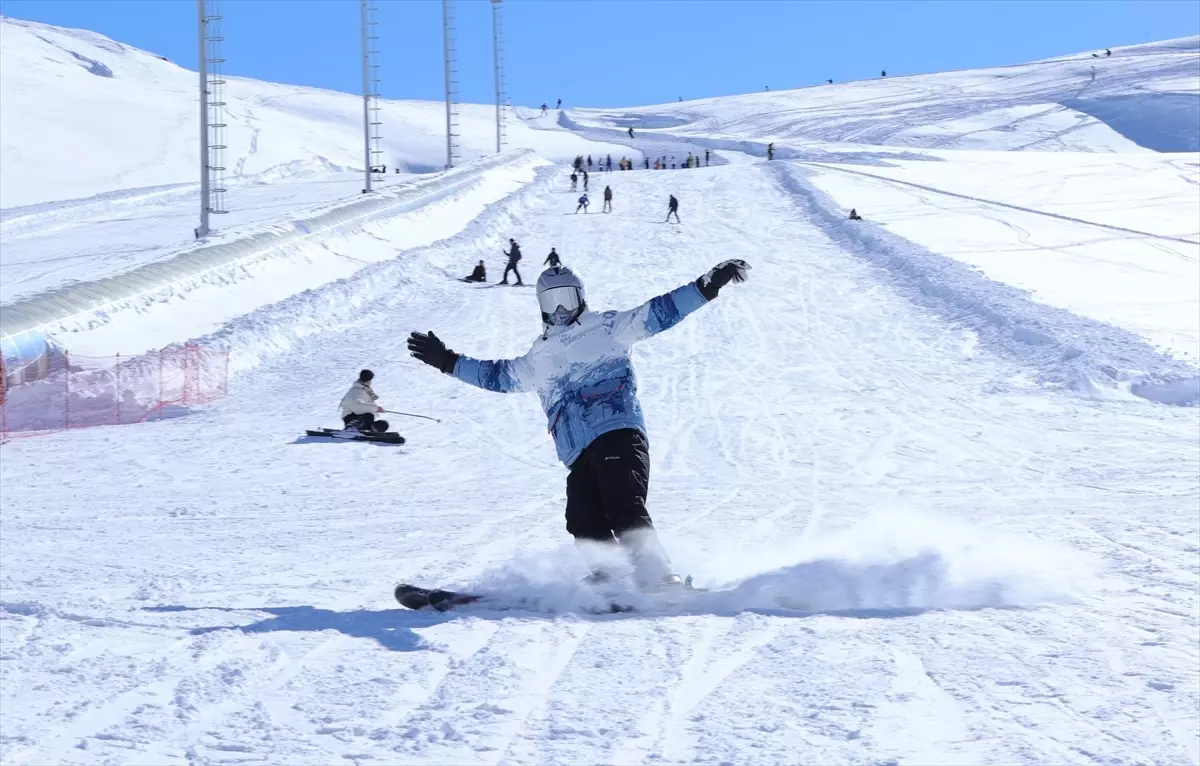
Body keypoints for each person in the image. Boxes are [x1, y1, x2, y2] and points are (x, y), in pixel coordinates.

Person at [405, 260, 751, 589]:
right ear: (541, 306)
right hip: (578, 451)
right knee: (581, 516)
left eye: (567, 299)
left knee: (622, 504)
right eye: (552, 302)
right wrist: (448, 362)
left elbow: (661, 311)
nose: (560, 311)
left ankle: (659, 577)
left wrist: (706, 287)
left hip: (616, 431)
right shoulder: (538, 355)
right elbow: (499, 377)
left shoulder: (608, 327)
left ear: (581, 299)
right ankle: (612, 578)